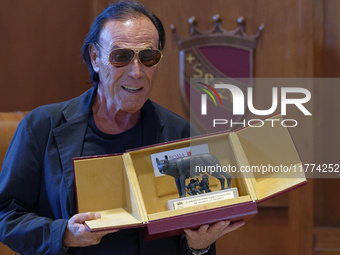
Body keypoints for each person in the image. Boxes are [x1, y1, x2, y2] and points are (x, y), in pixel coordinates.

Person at [0, 1, 244, 254]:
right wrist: (64, 235)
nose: (137, 72)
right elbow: (6, 215)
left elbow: (195, 224)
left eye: (148, 57)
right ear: (95, 58)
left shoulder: (180, 134)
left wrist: (199, 247)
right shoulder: (43, 126)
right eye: (121, 57)